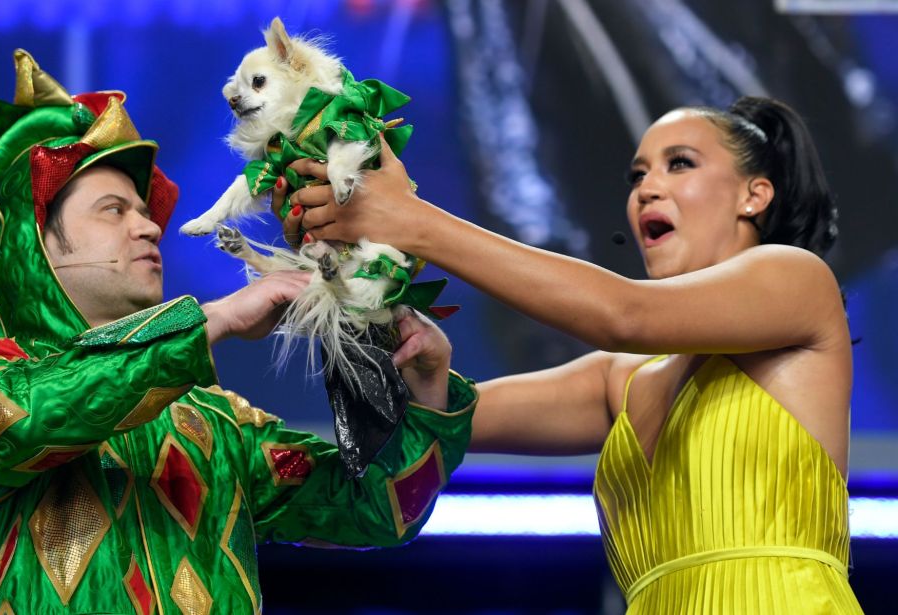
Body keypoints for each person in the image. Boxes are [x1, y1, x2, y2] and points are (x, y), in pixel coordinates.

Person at [0, 50, 477, 615]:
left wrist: (426, 393)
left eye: (145, 212)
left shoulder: (216, 424)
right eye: (113, 210)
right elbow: (37, 417)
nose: (148, 227)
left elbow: (378, 511)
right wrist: (216, 319)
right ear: (31, 247)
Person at [284, 96, 863, 612]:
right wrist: (353, 273)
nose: (646, 189)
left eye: (680, 163)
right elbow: (433, 422)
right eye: (637, 175)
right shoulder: (620, 383)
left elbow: (625, 314)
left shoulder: (798, 279)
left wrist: (412, 220)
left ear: (754, 195)